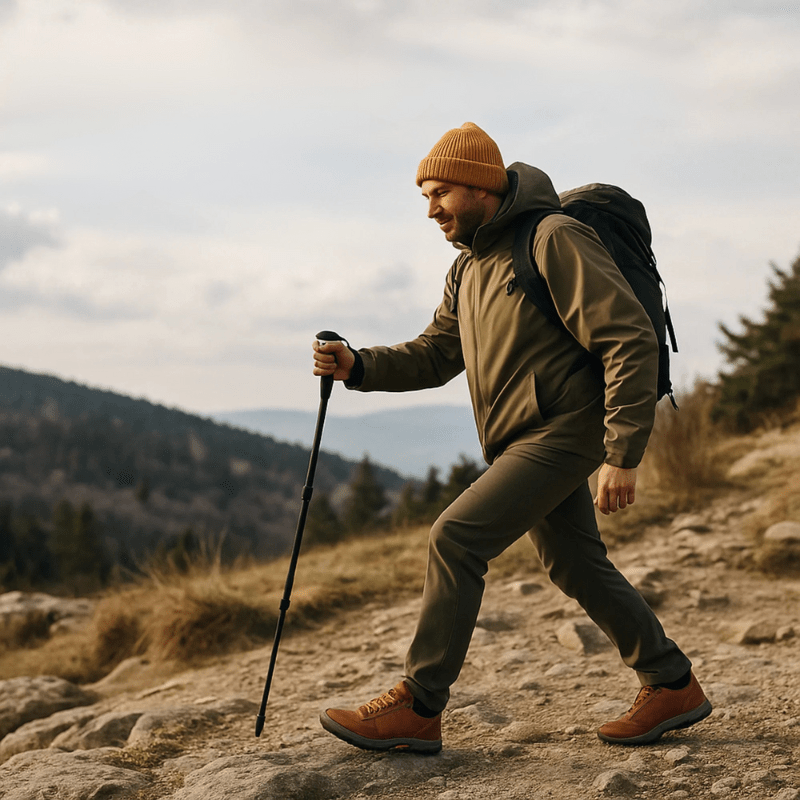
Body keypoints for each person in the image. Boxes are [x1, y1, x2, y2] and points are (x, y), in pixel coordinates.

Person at [311, 122, 711, 753]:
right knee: (575, 561)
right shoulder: (468, 270)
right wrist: (358, 365)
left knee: (457, 537)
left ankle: (418, 705)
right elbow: (438, 353)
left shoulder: (553, 238)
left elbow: (626, 337)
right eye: (425, 196)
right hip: (521, 437)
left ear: (480, 187)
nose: (432, 208)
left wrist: (622, 452)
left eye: (441, 192)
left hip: (566, 428)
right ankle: (670, 683)